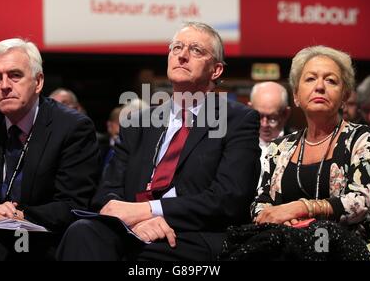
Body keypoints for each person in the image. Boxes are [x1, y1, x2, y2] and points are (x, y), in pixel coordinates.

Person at [57, 22, 261, 261]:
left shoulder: (237, 119)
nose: (182, 55)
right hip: (132, 230)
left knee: (144, 257)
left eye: (196, 50)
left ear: (216, 70)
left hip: (193, 235)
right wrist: (131, 222)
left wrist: (148, 211)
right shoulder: (137, 122)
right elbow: (107, 192)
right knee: (81, 232)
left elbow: (229, 198)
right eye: (176, 48)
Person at [233, 45, 370, 261]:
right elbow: (260, 203)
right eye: (310, 79)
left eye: (331, 80)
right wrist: (285, 221)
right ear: (297, 96)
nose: (320, 86)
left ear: (345, 96)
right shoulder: (278, 148)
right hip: (288, 247)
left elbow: (360, 201)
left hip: (353, 249)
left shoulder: (365, 138)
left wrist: (300, 208)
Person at [0, 38, 100, 260]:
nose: (4, 85)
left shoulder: (73, 127)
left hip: (47, 240)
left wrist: (16, 215)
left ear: (38, 82)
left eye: (15, 75)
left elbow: (73, 205)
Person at [248, 81, 291, 186]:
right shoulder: (236, 142)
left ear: (286, 114)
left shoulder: (298, 144)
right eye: (258, 116)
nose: (264, 124)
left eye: (272, 118)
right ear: (249, 109)